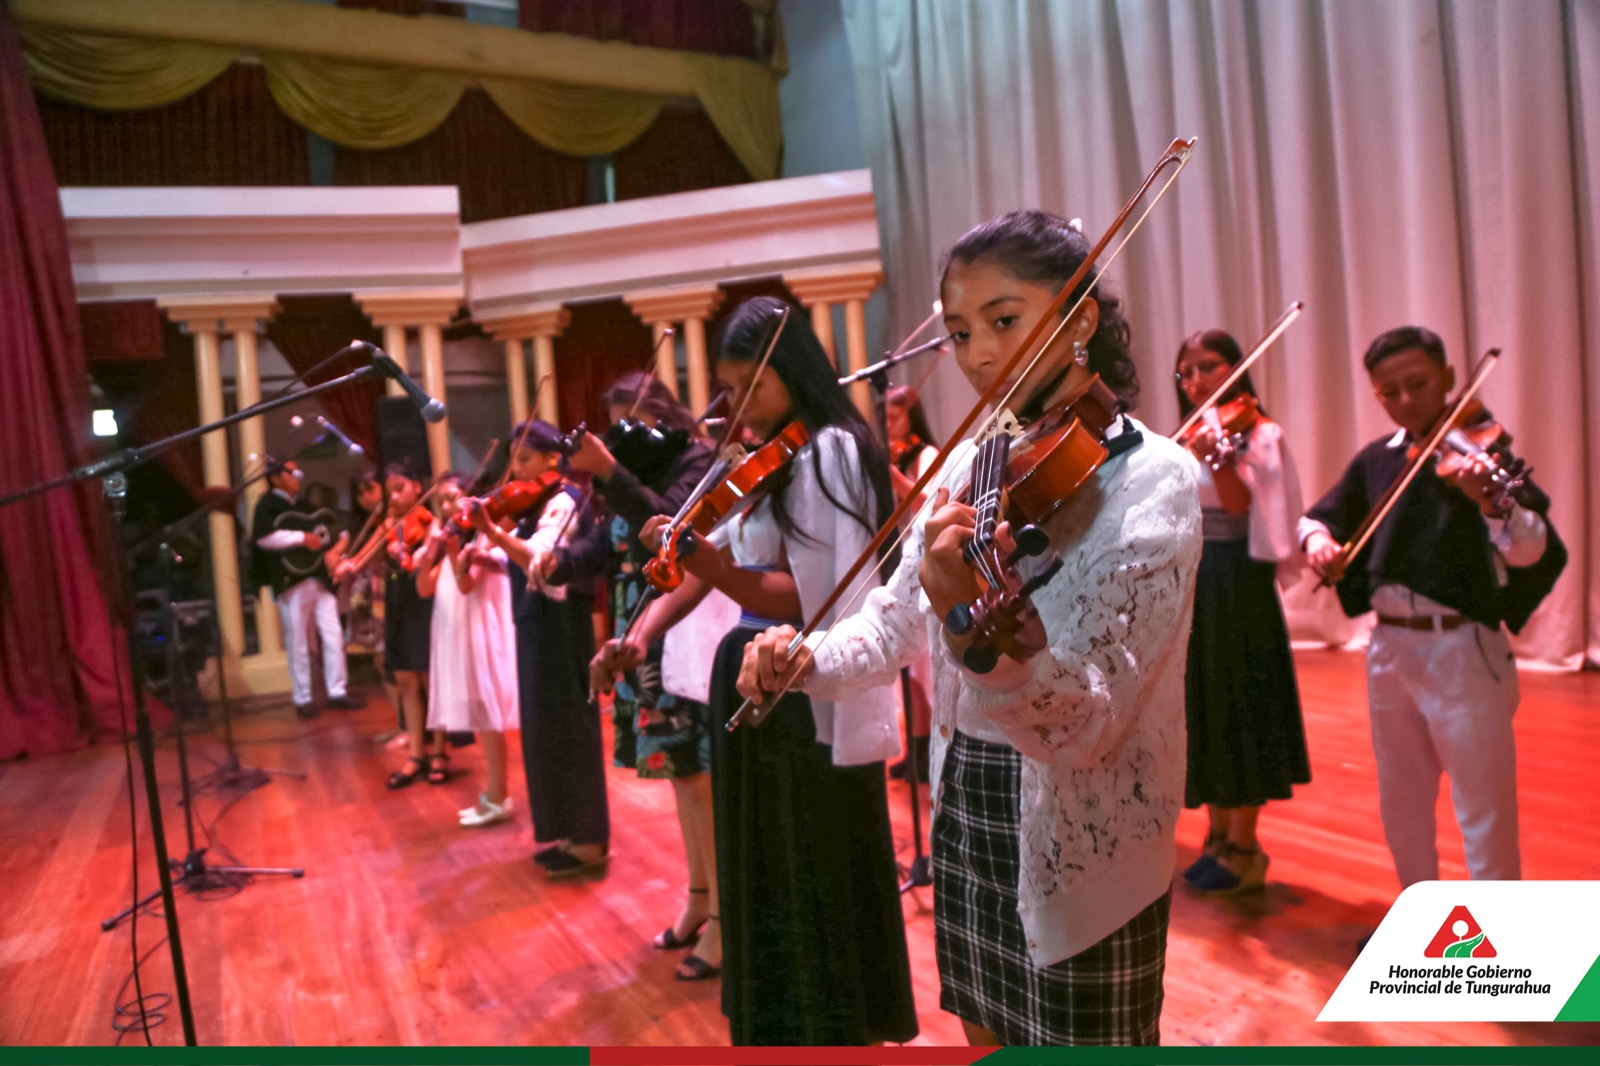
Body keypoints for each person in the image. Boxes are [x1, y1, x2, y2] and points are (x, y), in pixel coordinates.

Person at [737, 211, 1202, 1046]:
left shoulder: (1155, 481)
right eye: (959, 331)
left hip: (1077, 837)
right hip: (970, 808)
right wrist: (803, 656)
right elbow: (888, 625)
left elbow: (1090, 722)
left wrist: (971, 626)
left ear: (1078, 319)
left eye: (1004, 319)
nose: (979, 353)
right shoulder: (968, 463)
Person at [598, 296, 917, 1045]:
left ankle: (827, 1027)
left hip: (796, 677)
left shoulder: (831, 448)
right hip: (749, 674)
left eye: (751, 387)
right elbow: (709, 571)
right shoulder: (772, 453)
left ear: (790, 371)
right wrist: (641, 632)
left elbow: (809, 596)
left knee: (810, 860)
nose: (736, 408)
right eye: (728, 388)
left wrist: (707, 556)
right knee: (768, 866)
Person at [1300, 326, 1566, 889]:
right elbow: (1317, 518)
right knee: (1402, 805)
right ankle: (1420, 925)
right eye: (1388, 392)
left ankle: (1502, 947)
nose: (1404, 402)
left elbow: (1532, 549)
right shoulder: (1377, 460)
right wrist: (1317, 542)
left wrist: (1493, 507)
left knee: (1483, 810)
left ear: (1448, 378)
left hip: (1462, 651)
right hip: (1389, 650)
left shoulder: (1480, 455)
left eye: (1417, 384)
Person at [564, 372, 734, 979]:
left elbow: (671, 524)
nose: (630, 436)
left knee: (701, 778)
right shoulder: (638, 468)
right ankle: (698, 900)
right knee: (680, 776)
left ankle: (723, 923)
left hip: (685, 630)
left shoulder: (699, 460)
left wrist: (611, 468)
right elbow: (611, 546)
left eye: (635, 421)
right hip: (641, 630)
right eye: (618, 427)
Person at [1172, 329, 1311, 894]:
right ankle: (1217, 835)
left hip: (1238, 581)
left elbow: (1238, 507)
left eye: (1208, 366)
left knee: (1240, 704)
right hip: (1196, 580)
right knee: (1204, 703)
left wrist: (1219, 458)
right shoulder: (1185, 435)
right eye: (1186, 372)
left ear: (1236, 369)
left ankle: (1245, 846)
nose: (1197, 380)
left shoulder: (1259, 432)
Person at [467, 421, 610, 879]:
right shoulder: (540, 502)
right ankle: (569, 833)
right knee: (547, 731)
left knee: (569, 728)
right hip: (540, 625)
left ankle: (589, 841)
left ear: (553, 457)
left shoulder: (565, 499)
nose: (516, 472)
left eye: (524, 460)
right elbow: (524, 556)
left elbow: (540, 558)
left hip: (561, 628)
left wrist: (490, 530)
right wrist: (489, 551)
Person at [414, 473, 518, 827]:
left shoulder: (480, 539)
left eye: (453, 498)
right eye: (441, 500)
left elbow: (466, 585)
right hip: (454, 634)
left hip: (476, 635)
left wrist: (455, 550)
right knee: (479, 714)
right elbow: (425, 589)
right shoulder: (445, 540)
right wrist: (430, 554)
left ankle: (498, 796)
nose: (446, 506)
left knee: (488, 717)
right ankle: (494, 794)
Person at [249, 457, 358, 719]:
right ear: (275, 477)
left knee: (333, 636)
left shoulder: (305, 506)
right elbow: (263, 538)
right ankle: (303, 698)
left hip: (319, 578)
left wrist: (335, 549)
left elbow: (335, 531)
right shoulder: (267, 505)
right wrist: (300, 537)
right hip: (292, 581)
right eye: (291, 472)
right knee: (296, 640)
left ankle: (337, 691)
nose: (297, 476)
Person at [883, 384, 938, 782]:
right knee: (911, 668)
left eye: (894, 416)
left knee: (927, 664)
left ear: (911, 416)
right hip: (898, 562)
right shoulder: (898, 456)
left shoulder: (927, 454)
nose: (887, 424)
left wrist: (893, 477)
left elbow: (928, 504)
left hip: (925, 562)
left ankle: (932, 749)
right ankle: (915, 749)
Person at [378, 462, 444, 788]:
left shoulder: (431, 523)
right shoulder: (388, 525)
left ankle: (440, 751)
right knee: (405, 678)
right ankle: (416, 752)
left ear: (418, 487)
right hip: (398, 602)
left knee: (430, 678)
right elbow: (371, 558)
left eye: (400, 487)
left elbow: (432, 558)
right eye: (390, 490)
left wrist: (417, 550)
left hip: (423, 600)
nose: (394, 496)